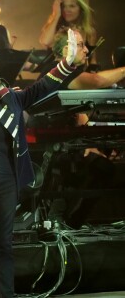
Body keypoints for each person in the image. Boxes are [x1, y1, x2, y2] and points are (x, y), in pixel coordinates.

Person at [0, 28, 79, 297]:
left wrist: (67, 63)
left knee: (5, 245)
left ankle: (7, 295)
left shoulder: (9, 99)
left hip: (5, 184)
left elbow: (43, 86)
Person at [36, 27, 125, 227]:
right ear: (66, 49)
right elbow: (97, 80)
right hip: (48, 154)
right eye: (81, 45)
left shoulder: (65, 73)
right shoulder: (57, 70)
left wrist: (90, 142)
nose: (87, 50)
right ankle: (69, 224)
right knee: (102, 169)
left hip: (61, 149)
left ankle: (72, 223)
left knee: (104, 168)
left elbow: (78, 113)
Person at [39, 0, 98, 71]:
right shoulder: (56, 27)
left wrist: (93, 72)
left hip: (77, 76)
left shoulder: (89, 32)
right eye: (63, 6)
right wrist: (56, 14)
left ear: (81, 8)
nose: (66, 10)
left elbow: (93, 60)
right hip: (55, 75)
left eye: (72, 6)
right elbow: (45, 42)